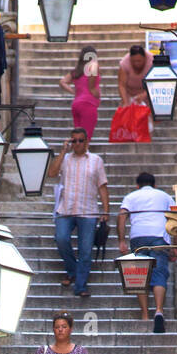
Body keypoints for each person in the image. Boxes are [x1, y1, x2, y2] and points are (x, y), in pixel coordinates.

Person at [47, 127, 109, 298]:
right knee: (61, 239)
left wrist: (106, 210)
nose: (77, 144)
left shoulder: (96, 160)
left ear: (87, 141)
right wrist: (62, 151)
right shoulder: (65, 159)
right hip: (65, 209)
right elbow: (52, 173)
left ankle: (80, 286)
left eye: (80, 140)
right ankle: (73, 270)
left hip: (88, 211)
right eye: (74, 140)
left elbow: (102, 186)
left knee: (86, 250)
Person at [117, 171, 177, 333]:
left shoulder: (131, 196)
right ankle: (159, 310)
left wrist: (121, 240)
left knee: (139, 275)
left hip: (138, 237)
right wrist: (175, 245)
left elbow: (122, 215)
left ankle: (145, 315)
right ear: (155, 185)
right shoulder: (164, 196)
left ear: (137, 186)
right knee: (159, 274)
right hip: (159, 236)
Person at [59, 44, 101, 142]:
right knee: (86, 137)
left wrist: (74, 92)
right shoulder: (93, 66)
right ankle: (84, 155)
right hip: (88, 103)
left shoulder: (77, 71)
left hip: (76, 104)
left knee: (77, 137)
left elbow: (62, 82)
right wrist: (96, 93)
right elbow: (91, 86)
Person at [118, 42, 154, 106]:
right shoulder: (124, 63)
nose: (136, 63)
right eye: (134, 61)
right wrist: (125, 102)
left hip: (149, 95)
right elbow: (122, 85)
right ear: (130, 59)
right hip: (130, 95)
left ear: (144, 58)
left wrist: (145, 94)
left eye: (139, 61)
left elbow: (156, 82)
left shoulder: (152, 61)